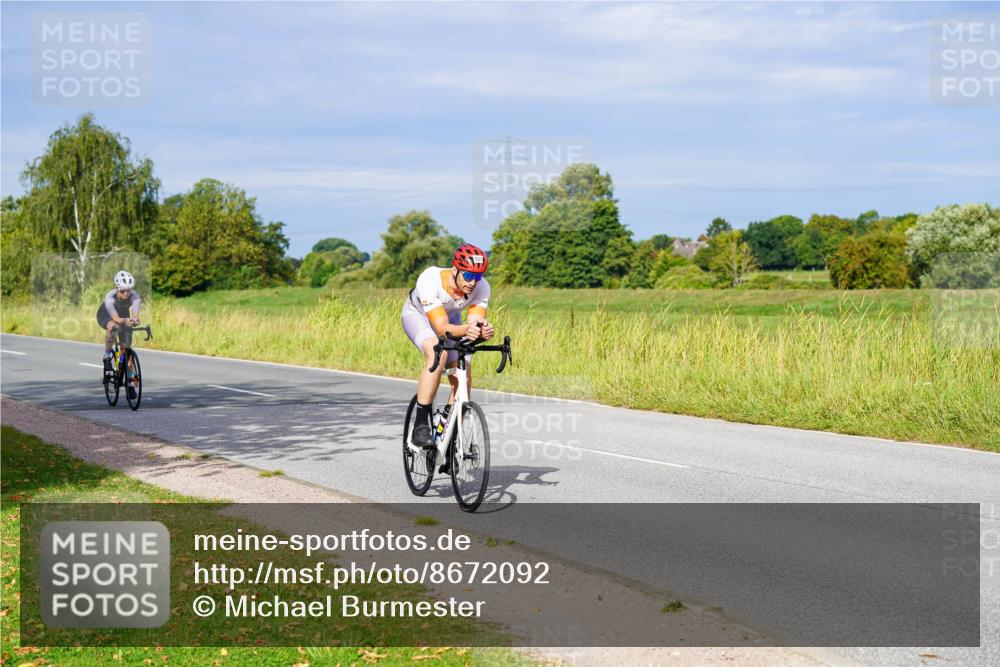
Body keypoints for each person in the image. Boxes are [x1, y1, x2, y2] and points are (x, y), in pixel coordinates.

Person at [402, 244, 495, 449]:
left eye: (477, 277)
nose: (473, 282)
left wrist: (483, 330)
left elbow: (475, 322)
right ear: (455, 270)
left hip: (452, 320)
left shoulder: (482, 286)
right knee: (438, 353)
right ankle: (420, 426)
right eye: (468, 276)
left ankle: (448, 431)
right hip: (419, 317)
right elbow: (442, 328)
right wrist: (468, 329)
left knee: (463, 371)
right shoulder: (430, 279)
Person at [98, 271, 142, 397]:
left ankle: (130, 384)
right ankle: (107, 355)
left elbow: (134, 315)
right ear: (117, 288)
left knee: (127, 354)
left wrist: (135, 321)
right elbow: (117, 319)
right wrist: (126, 321)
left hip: (123, 315)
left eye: (128, 290)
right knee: (113, 327)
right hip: (106, 315)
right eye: (122, 291)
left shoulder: (135, 297)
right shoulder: (109, 299)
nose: (126, 293)